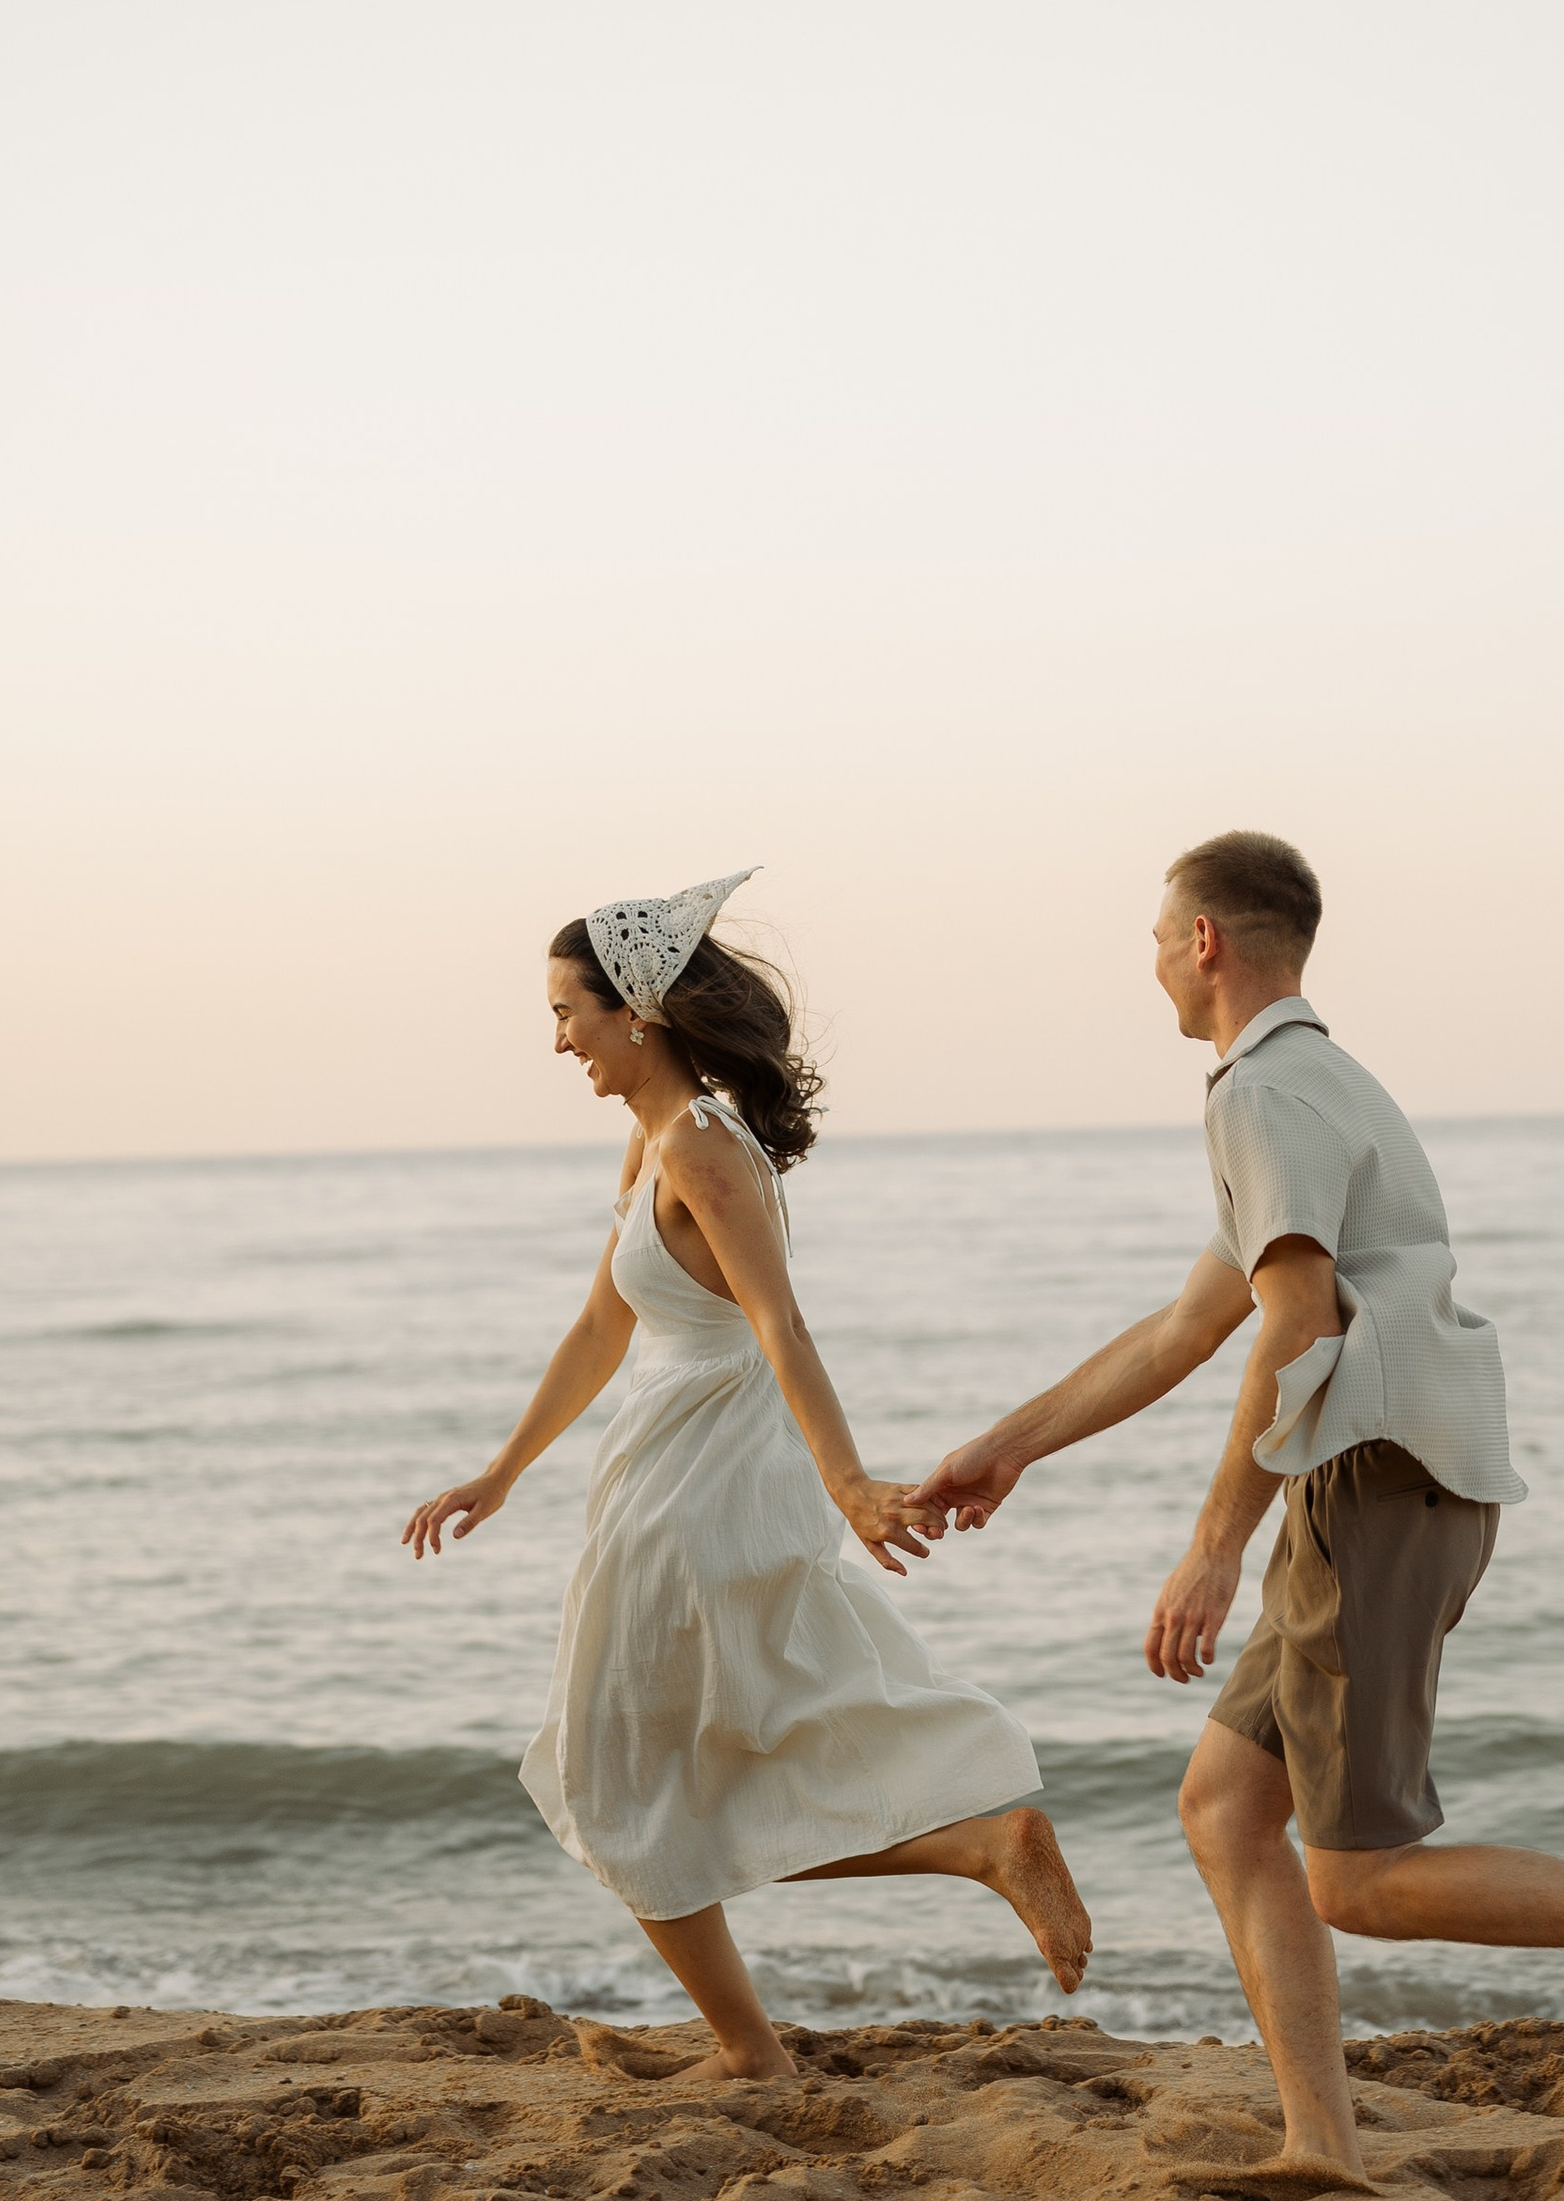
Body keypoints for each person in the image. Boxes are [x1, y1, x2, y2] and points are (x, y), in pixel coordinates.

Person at [917, 829, 1564, 2185]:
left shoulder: (1263, 1099)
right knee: (1225, 1808)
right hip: (1390, 1476)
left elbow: (1297, 1323)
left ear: (1207, 942)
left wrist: (1212, 1549)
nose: (1152, 961)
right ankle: (1319, 2141)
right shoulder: (1318, 1084)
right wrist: (1009, 1448)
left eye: (1161, 936)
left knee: (1360, 1879)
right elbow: (1184, 1329)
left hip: (1377, 1483)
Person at [404, 869, 1089, 2084]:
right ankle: (778, 2024)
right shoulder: (658, 1137)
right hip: (668, 1468)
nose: (555, 1036)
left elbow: (782, 1326)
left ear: (638, 1013)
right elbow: (600, 1326)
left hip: (700, 1483)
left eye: (568, 1009)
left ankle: (954, 1872)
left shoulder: (706, 1147)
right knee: (661, 1775)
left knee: (616, 1780)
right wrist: (501, 1471)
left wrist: (847, 1484)